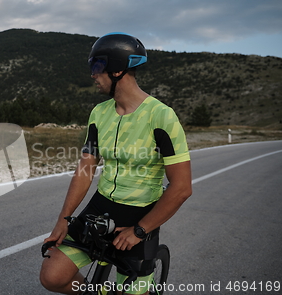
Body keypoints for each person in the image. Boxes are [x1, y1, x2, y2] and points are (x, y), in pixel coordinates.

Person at [39, 32, 192, 295]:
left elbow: (181, 187)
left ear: (118, 70)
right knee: (52, 277)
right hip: (101, 205)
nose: (92, 74)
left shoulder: (161, 116)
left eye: (97, 66)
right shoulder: (99, 113)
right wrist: (63, 220)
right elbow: (85, 169)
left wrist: (140, 230)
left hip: (139, 212)